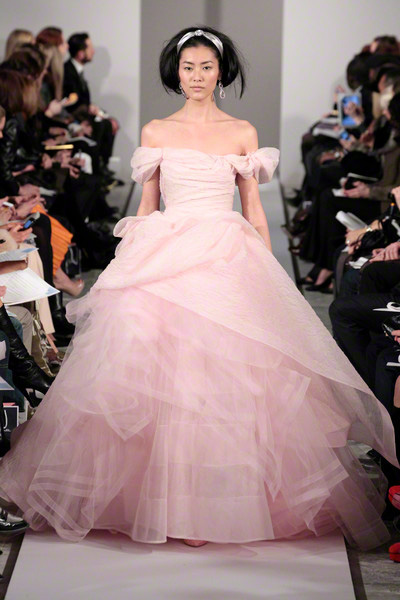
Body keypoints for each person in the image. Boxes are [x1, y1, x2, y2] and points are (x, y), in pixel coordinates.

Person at [0, 26, 398, 551]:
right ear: (176, 71)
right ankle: (152, 500)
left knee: (224, 377)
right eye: (188, 67)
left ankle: (211, 503)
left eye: (206, 67)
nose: (196, 76)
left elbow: (254, 211)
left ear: (221, 71)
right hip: (165, 252)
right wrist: (127, 264)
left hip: (225, 252)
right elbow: (147, 207)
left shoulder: (243, 133)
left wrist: (271, 278)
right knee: (155, 371)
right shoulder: (157, 131)